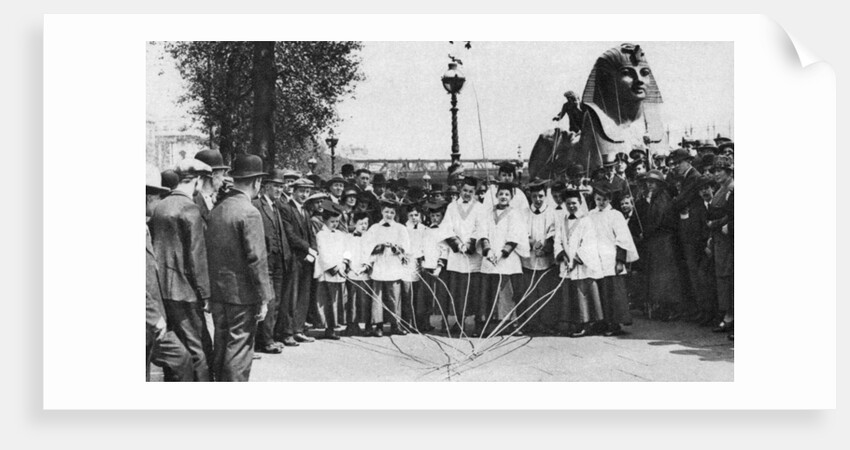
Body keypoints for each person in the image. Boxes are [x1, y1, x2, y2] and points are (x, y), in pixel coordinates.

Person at [205, 154, 274, 381]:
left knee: (222, 344)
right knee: (240, 348)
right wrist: (264, 297)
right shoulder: (249, 212)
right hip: (243, 295)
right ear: (256, 182)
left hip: (218, 292)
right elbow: (257, 259)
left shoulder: (216, 210)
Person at [148, 159, 214, 381]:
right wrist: (205, 294)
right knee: (199, 350)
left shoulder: (160, 207)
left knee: (175, 352)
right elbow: (197, 257)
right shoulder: (190, 208)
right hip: (186, 293)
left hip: (161, 291)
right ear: (197, 180)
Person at [146, 164, 193, 382]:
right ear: (147, 198)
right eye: (158, 198)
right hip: (149, 319)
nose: (160, 204)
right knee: (181, 358)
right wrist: (154, 318)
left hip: (151, 319)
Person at [477, 182, 530, 337]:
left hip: (507, 258)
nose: (503, 197)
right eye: (501, 194)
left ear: (511, 197)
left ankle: (512, 324)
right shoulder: (487, 213)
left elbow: (516, 235)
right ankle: (489, 325)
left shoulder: (515, 214)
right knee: (490, 292)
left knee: (508, 292)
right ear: (496, 196)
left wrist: (501, 253)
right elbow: (482, 231)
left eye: (507, 194)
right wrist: (488, 251)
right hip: (490, 258)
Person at [437, 176, 486, 336]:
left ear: (475, 192)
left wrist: (470, 244)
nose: (467, 194)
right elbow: (446, 227)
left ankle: (478, 324)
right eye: (465, 190)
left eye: (471, 191)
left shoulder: (479, 207)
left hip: (472, 255)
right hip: (457, 255)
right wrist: (458, 244)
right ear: (460, 190)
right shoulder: (452, 207)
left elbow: (481, 228)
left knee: (474, 290)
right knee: (458, 291)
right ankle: (459, 322)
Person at [588, 185, 639, 336]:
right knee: (599, 291)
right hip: (596, 257)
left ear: (609, 199)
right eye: (598, 199)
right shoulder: (591, 214)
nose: (601, 202)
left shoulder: (615, 215)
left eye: (604, 199)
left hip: (611, 257)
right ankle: (601, 321)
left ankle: (614, 323)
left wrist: (620, 261)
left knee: (613, 292)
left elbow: (623, 239)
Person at [251, 169, 292, 354]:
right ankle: (265, 341)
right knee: (268, 299)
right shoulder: (257, 205)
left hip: (278, 259)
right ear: (265, 186)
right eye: (275, 186)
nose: (279, 189)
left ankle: (269, 337)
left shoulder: (277, 206)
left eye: (281, 186)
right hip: (265, 258)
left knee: (276, 301)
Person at [553, 189, 604, 337]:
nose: (571, 206)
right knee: (569, 294)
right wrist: (562, 255)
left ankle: (586, 323)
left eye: (574, 203)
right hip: (567, 262)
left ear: (580, 203)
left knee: (583, 293)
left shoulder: (586, 221)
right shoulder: (562, 221)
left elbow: (588, 243)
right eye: (568, 203)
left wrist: (575, 260)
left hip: (581, 264)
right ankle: (572, 323)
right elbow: (558, 240)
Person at [635, 170, 684, 321]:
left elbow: (658, 220)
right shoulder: (657, 197)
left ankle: (672, 308)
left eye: (653, 182)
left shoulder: (662, 198)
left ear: (659, 184)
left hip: (663, 240)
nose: (649, 184)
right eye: (648, 182)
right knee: (659, 276)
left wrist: (646, 233)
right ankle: (664, 307)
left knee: (666, 276)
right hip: (658, 240)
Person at [277, 178, 318, 347]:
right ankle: (286, 332)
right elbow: (290, 235)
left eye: (307, 191)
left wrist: (313, 251)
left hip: (307, 259)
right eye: (301, 191)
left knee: (303, 296)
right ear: (293, 191)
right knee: (290, 297)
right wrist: (309, 249)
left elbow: (311, 234)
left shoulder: (306, 212)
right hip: (294, 258)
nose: (304, 195)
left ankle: (298, 330)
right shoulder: (286, 209)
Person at [364, 195, 411, 337]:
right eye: (386, 212)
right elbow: (367, 246)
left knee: (393, 297)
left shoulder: (400, 228)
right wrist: (379, 246)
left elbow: (406, 247)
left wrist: (396, 248)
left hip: (393, 265)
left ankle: (395, 325)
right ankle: (378, 325)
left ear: (395, 214)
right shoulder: (374, 228)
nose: (389, 215)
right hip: (379, 264)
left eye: (391, 212)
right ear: (382, 212)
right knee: (377, 297)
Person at [520, 179, 559, 334]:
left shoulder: (551, 212)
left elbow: (554, 232)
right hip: (529, 258)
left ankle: (547, 323)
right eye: (535, 196)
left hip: (546, 259)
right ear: (530, 196)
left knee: (545, 290)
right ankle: (531, 323)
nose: (537, 200)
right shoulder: (523, 212)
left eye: (541, 196)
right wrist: (533, 244)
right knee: (529, 292)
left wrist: (546, 248)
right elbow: (521, 232)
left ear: (545, 196)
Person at [707, 156, 734, 338]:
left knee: (731, 277)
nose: (716, 174)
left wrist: (715, 224)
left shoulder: (732, 189)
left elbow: (731, 214)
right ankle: (729, 315)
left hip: (729, 238)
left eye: (720, 170)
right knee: (723, 278)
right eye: (714, 171)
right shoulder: (720, 189)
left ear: (729, 171)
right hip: (719, 239)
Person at [314, 204, 349, 340]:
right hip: (329, 273)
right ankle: (329, 328)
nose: (335, 224)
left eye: (337, 221)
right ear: (325, 221)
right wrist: (334, 268)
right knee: (329, 300)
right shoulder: (321, 235)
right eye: (332, 222)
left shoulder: (341, 234)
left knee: (338, 300)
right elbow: (323, 254)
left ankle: (336, 325)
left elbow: (346, 250)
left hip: (340, 271)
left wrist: (344, 264)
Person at [418, 202, 450, 333]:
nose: (435, 218)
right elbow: (421, 247)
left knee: (442, 296)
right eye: (433, 216)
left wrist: (440, 266)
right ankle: (426, 322)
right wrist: (422, 261)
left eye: (438, 216)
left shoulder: (444, 231)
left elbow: (445, 249)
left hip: (440, 268)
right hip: (427, 266)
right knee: (426, 296)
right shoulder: (426, 231)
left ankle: (445, 322)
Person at [343, 212, 372, 336]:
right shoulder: (349, 238)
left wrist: (366, 266)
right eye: (361, 223)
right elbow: (347, 253)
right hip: (352, 272)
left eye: (366, 223)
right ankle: (351, 325)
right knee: (352, 300)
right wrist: (348, 265)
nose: (364, 226)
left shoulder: (370, 238)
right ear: (354, 224)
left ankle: (367, 325)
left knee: (365, 300)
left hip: (365, 273)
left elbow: (371, 255)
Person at [193, 150, 230, 223]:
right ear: (213, 174)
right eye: (222, 175)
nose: (223, 179)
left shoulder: (214, 200)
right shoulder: (193, 202)